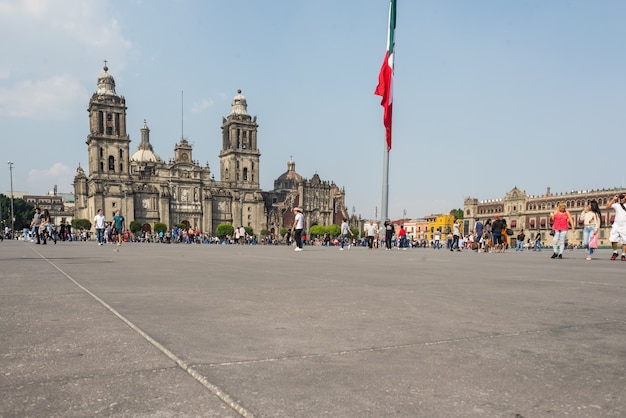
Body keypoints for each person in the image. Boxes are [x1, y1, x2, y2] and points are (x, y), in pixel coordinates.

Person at [606, 193, 626, 261]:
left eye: (623, 197)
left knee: (625, 240)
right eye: (621, 197)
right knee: (613, 239)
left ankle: (623, 255)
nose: (622, 198)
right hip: (616, 224)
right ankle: (615, 252)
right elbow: (607, 206)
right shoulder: (617, 205)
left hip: (625, 225)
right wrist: (613, 199)